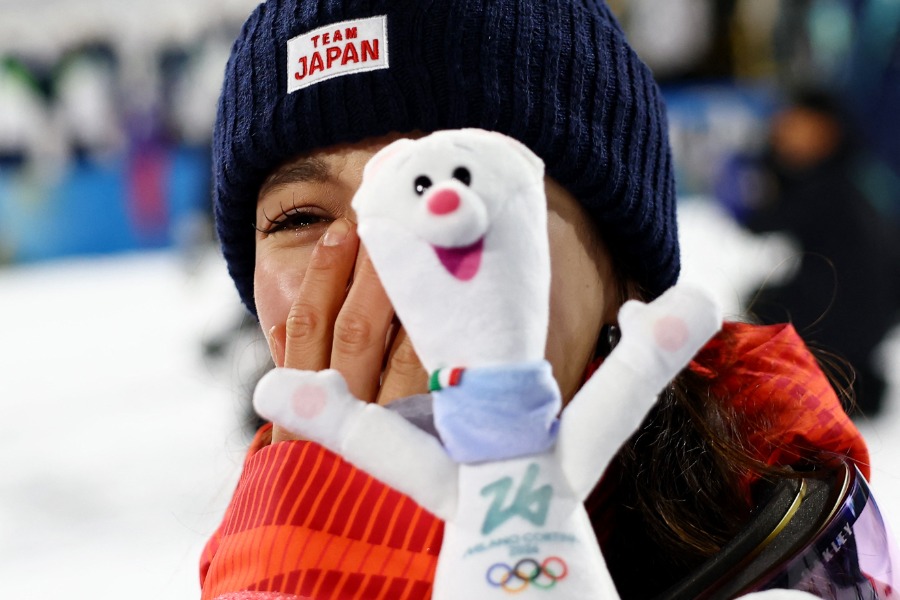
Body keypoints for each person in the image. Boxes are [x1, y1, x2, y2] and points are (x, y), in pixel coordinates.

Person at [200, 1, 892, 598]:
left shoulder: (784, 530)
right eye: (300, 220)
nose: (385, 265)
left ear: (625, 272)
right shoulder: (248, 555)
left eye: (449, 189)